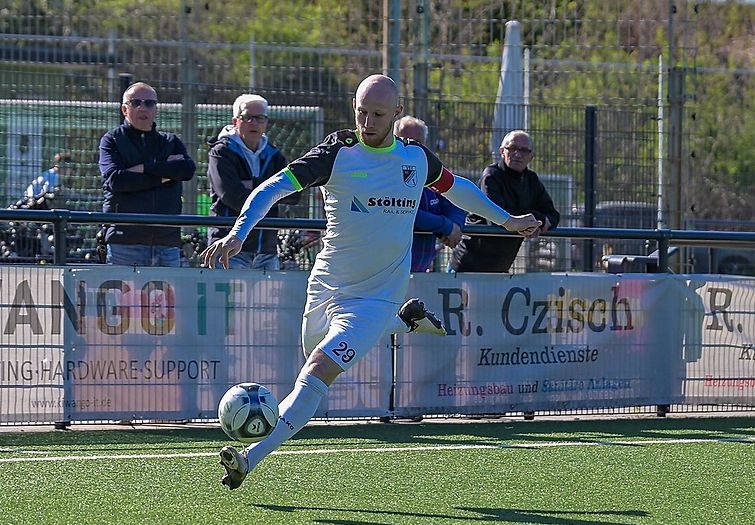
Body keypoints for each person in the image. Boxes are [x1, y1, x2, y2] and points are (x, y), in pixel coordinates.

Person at [202, 74, 542, 490]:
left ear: (396, 114)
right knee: (311, 356)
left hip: (376, 296)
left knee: (316, 372)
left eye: (378, 114)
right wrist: (239, 233)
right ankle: (407, 321)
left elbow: (461, 190)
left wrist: (508, 221)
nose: (367, 121)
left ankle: (249, 458)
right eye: (361, 111)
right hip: (326, 286)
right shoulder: (337, 152)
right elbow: (273, 187)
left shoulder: (416, 159)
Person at [98, 82, 196, 267]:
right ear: (124, 109)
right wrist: (164, 174)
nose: (143, 108)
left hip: (167, 242)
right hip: (125, 242)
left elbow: (186, 170)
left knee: (168, 296)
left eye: (149, 103)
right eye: (136, 103)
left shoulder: (170, 141)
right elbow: (116, 180)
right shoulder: (112, 140)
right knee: (125, 295)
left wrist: (143, 168)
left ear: (156, 109)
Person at [207, 94, 300, 270]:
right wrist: (272, 191)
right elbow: (233, 197)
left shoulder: (274, 155)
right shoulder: (221, 152)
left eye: (259, 118)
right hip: (228, 249)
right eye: (247, 117)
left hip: (266, 250)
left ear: (266, 122)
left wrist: (254, 184)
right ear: (235, 121)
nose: (254, 123)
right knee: (228, 298)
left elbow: (295, 194)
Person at [449, 130, 560, 273]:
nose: (517, 154)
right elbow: (498, 217)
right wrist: (533, 220)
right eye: (512, 148)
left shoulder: (531, 180)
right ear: (502, 151)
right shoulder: (491, 176)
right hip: (467, 265)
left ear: (531, 156)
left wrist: (537, 223)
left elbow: (553, 215)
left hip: (500, 268)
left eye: (524, 150)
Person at [394, 116, 466, 272]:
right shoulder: (387, 173)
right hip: (389, 274)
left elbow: (455, 202)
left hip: (420, 273)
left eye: (417, 142)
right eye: (405, 141)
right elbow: (406, 212)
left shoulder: (429, 171)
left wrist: (455, 226)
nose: (411, 147)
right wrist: (445, 226)